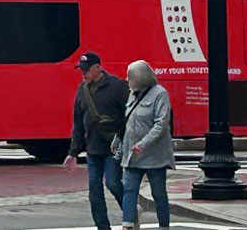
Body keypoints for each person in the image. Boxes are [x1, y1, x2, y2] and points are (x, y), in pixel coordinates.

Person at [63, 52, 128, 230]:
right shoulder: (82, 90)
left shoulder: (118, 86)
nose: (84, 74)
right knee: (94, 191)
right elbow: (78, 122)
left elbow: (128, 116)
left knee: (113, 183)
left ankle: (130, 213)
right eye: (82, 70)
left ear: (97, 67)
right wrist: (73, 152)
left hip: (113, 147)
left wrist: (124, 139)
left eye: (87, 70)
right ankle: (102, 227)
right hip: (93, 148)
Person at [118, 60, 174, 230]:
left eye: (130, 76)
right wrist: (118, 140)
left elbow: (161, 123)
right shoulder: (132, 94)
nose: (127, 79)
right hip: (132, 154)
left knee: (158, 193)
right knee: (129, 190)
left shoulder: (160, 94)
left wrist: (143, 144)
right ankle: (127, 223)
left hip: (154, 155)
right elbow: (127, 120)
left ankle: (164, 225)